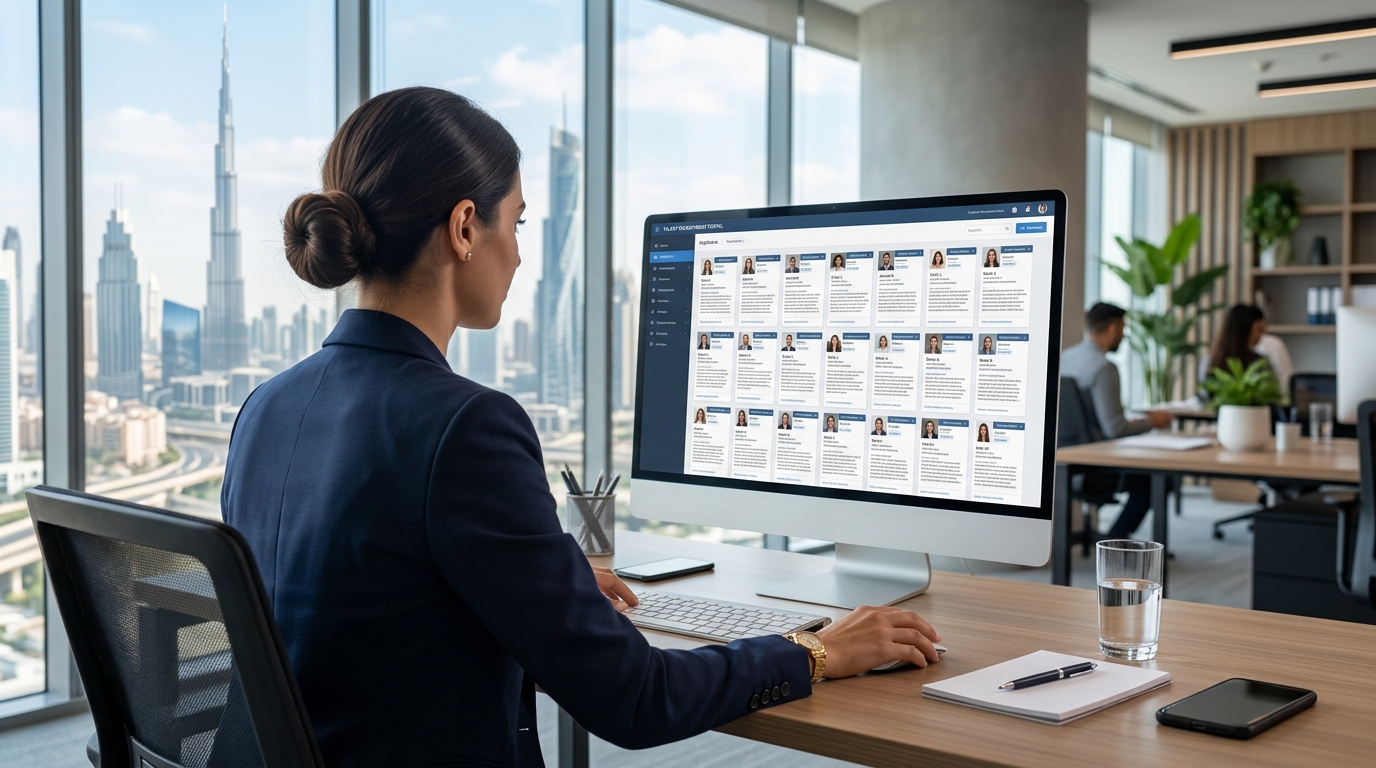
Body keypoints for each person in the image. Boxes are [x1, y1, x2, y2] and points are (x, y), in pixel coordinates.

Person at [221, 87, 942, 766]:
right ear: (466, 227)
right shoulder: (466, 424)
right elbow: (634, 700)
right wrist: (815, 650)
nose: (521, 252)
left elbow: (363, 603)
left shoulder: (266, 406)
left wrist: (541, 581)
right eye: (519, 222)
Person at [1061, 303, 1173, 540]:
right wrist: (1153, 421)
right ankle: (1117, 538)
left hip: (1065, 461)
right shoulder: (1104, 367)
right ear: (1112, 328)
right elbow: (1116, 428)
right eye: (1123, 328)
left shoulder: (1065, 358)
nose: (1123, 335)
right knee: (1159, 480)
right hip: (1098, 466)